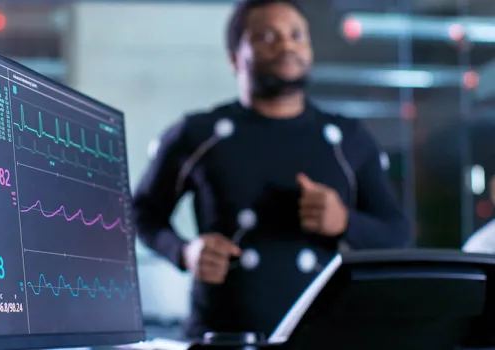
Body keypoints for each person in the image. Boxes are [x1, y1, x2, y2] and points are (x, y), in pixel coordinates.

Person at [132, 0, 411, 339]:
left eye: (297, 35)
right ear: (234, 58)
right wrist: (184, 251)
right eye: (266, 36)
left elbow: (398, 234)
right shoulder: (197, 134)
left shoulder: (349, 139)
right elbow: (141, 213)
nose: (286, 45)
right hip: (219, 338)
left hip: (323, 338)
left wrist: (344, 222)